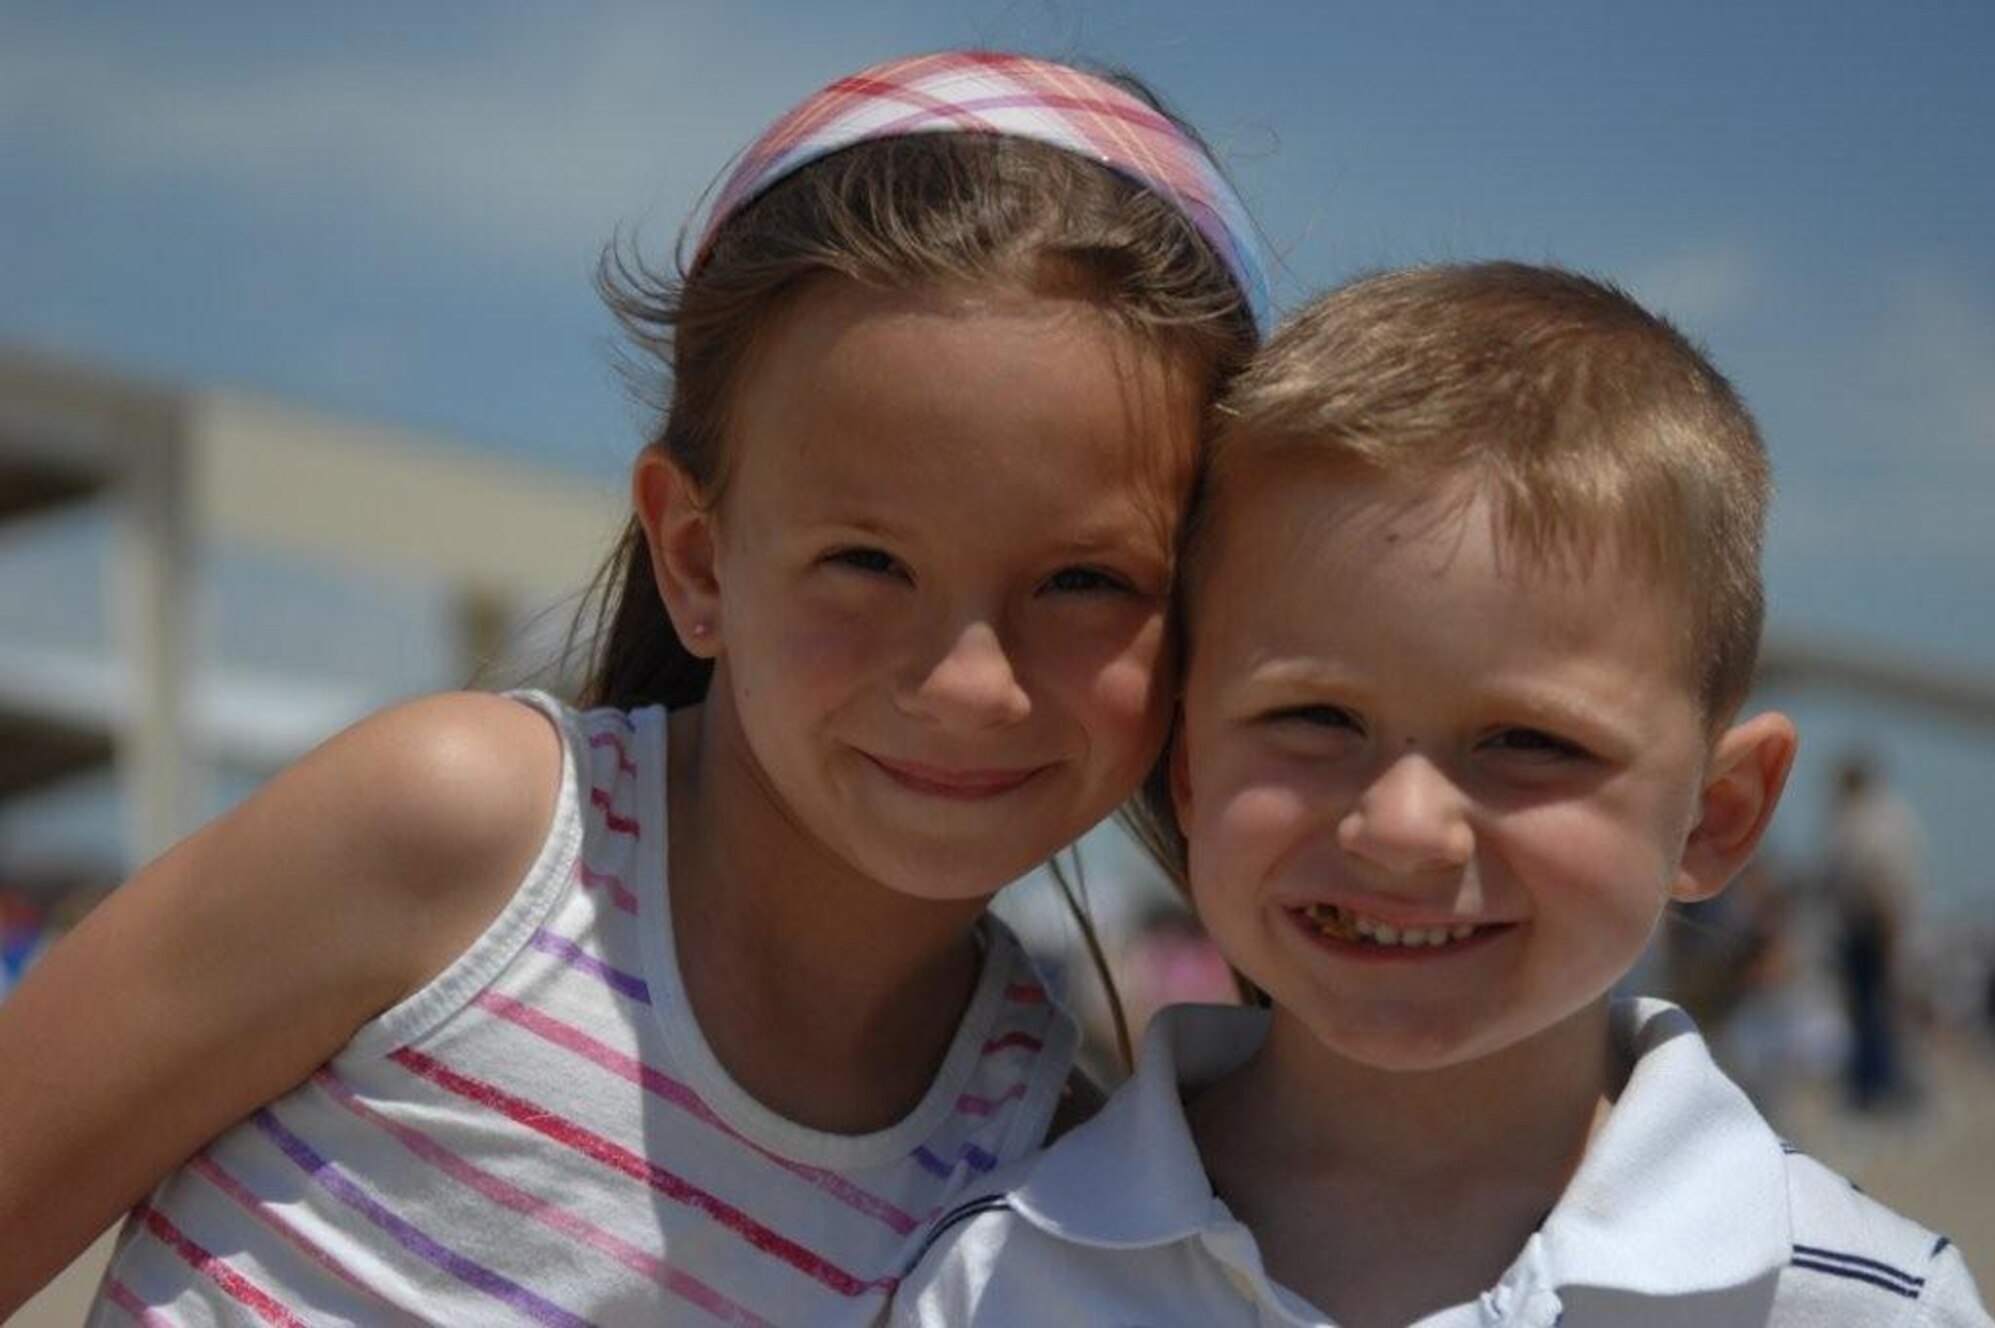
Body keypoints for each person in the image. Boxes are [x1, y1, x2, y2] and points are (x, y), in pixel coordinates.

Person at [0, 52, 1265, 1325]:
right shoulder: (457, 836)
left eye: (1084, 582)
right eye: (866, 562)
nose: (970, 683)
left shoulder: (1046, 1160)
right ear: (695, 557)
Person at [894, 264, 1993, 1325]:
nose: (1401, 828)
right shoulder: (1001, 1277)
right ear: (1188, 763)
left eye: (1526, 740)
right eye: (1314, 719)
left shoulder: (1863, 1300)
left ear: (1715, 814)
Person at [1826, 749, 1928, 1111]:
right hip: (1870, 926)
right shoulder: (1880, 816)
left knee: (1874, 1008)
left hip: (1873, 927)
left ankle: (1877, 1087)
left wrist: (1890, 932)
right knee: (1871, 1008)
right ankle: (1878, 1085)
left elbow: (1880, 881)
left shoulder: (1869, 820)